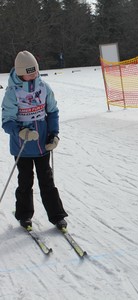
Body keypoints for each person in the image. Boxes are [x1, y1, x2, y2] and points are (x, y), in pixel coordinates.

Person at [1, 50, 68, 229]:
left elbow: (52, 111)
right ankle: (24, 215)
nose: (33, 75)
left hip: (42, 145)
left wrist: (54, 135)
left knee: (47, 181)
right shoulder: (12, 93)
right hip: (22, 147)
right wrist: (21, 132)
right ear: (20, 72)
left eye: (35, 71)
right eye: (29, 72)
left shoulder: (44, 87)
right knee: (25, 181)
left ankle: (57, 216)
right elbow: (6, 122)